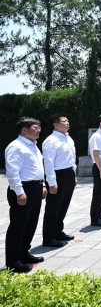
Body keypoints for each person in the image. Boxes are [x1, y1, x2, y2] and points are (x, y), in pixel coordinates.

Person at [5, 117, 46, 273]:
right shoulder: (16, 146)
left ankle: (23, 253)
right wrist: (19, 192)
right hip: (23, 189)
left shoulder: (33, 146)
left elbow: (38, 167)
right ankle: (13, 261)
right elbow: (12, 171)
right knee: (18, 226)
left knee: (30, 224)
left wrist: (42, 184)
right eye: (36, 127)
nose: (39, 130)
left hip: (35, 187)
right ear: (24, 130)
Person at [42, 114, 77, 248]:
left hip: (68, 173)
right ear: (55, 124)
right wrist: (52, 182)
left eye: (68, 120)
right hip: (57, 175)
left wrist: (73, 175)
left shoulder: (68, 138)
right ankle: (48, 237)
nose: (67, 123)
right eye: (64, 121)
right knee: (53, 207)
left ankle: (58, 231)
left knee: (63, 205)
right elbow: (48, 163)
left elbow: (72, 158)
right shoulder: (51, 140)